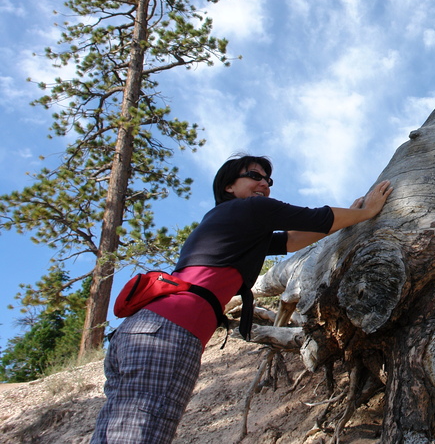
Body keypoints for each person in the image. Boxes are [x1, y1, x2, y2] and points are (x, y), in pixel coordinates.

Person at [91, 154, 393, 444]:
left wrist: (349, 218)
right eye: (254, 176)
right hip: (170, 332)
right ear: (228, 186)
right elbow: (315, 218)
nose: (265, 184)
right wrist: (367, 213)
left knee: (113, 431)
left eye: (268, 180)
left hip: (140, 332)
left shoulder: (231, 225)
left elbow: (291, 240)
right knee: (144, 431)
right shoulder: (250, 211)